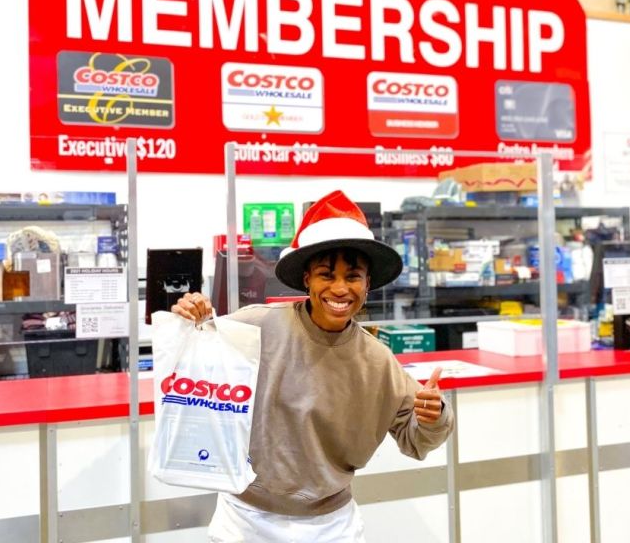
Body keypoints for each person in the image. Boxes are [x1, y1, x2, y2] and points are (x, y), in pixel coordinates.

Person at [172, 190, 454, 543]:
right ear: (307, 279)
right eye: (326, 275)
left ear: (368, 284)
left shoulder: (378, 361)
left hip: (331, 526)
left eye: (352, 276)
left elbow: (416, 441)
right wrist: (190, 314)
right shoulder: (255, 326)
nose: (339, 288)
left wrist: (434, 415)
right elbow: (192, 356)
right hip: (245, 520)